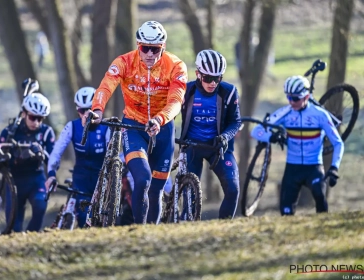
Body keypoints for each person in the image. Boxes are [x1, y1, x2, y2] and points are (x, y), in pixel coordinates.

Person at [84, 20, 188, 224]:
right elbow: (105, 87)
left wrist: (160, 118)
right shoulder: (124, 62)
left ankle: (150, 234)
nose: (149, 54)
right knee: (142, 179)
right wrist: (97, 110)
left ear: (163, 47)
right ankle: (139, 230)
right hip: (134, 126)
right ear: (138, 46)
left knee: (156, 190)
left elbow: (176, 100)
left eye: (155, 49)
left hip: (163, 127)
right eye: (145, 48)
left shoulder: (175, 66)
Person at [251, 75, 344, 215]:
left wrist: (334, 167)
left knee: (319, 195)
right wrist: (272, 137)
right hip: (292, 168)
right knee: (285, 211)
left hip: (313, 166)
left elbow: (338, 143)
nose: (291, 102)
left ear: (307, 96)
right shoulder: (285, 113)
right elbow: (256, 131)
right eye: (288, 98)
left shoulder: (320, 115)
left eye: (295, 98)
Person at [180, 49, 242, 219]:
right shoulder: (186, 91)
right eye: (208, 78)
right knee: (189, 196)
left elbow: (236, 122)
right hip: (192, 146)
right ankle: (186, 227)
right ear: (197, 74)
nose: (213, 83)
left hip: (218, 147)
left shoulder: (228, 92)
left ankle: (224, 228)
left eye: (217, 78)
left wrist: (225, 137)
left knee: (233, 189)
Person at [45, 87, 110, 228]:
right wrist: (51, 174)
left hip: (102, 179)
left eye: (90, 109)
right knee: (83, 218)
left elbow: (116, 157)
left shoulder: (107, 127)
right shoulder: (72, 127)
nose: (87, 114)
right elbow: (56, 153)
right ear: (77, 111)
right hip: (81, 179)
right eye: (82, 111)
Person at [0, 92, 55, 232]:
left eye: (40, 119)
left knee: (41, 205)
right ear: (24, 113)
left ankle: (31, 236)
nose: (36, 122)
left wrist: (41, 152)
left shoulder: (47, 132)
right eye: (32, 117)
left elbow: (53, 159)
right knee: (13, 226)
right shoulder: (9, 131)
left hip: (36, 178)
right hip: (14, 180)